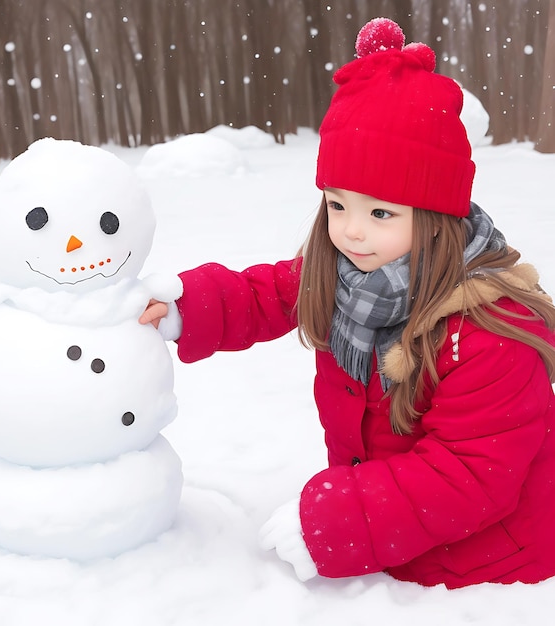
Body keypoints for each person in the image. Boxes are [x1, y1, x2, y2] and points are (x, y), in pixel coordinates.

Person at [139, 18, 555, 588]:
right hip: (398, 527)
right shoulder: (350, 274)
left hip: (487, 558)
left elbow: (470, 474)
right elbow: (272, 292)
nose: (352, 232)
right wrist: (190, 305)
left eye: (381, 212)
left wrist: (337, 522)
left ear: (436, 218)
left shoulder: (490, 332)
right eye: (338, 206)